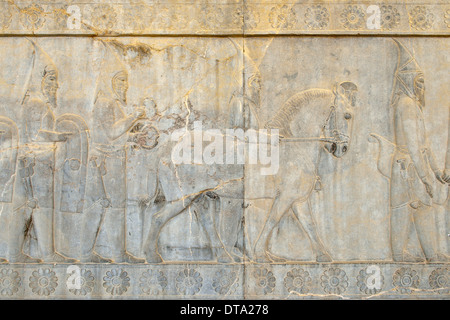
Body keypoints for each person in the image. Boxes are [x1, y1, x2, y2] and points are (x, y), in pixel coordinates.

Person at [8, 40, 77, 263]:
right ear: (40, 79)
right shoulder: (36, 102)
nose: (55, 85)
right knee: (37, 207)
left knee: (34, 207)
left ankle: (28, 253)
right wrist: (61, 136)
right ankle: (40, 254)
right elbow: (37, 134)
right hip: (35, 163)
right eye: (51, 79)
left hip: (39, 163)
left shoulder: (40, 103)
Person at [80, 42, 145, 263]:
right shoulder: (106, 102)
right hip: (106, 162)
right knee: (110, 206)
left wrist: (134, 137)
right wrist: (133, 116)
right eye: (120, 80)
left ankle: (92, 253)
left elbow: (115, 135)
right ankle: (113, 254)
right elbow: (110, 133)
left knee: (104, 207)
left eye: (125, 80)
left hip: (110, 159)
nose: (125, 85)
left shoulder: (111, 102)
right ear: (110, 81)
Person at [389, 39, 444, 262]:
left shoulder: (413, 106)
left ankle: (431, 253)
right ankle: (399, 254)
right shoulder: (406, 104)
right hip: (407, 165)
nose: (423, 87)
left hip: (414, 164)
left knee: (423, 207)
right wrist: (424, 176)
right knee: (403, 208)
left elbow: (424, 146)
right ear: (408, 82)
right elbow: (413, 145)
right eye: (418, 82)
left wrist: (437, 171)